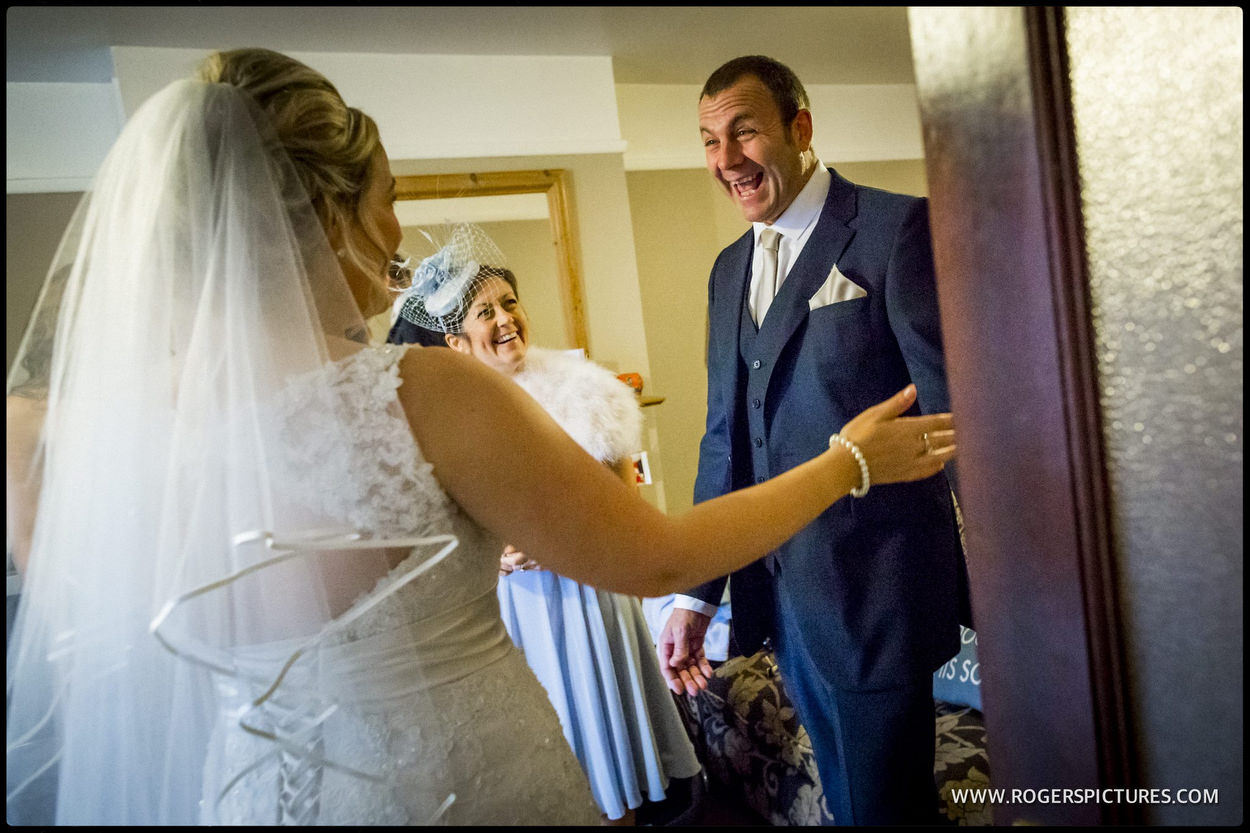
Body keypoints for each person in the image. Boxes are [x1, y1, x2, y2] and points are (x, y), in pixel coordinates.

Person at [4, 48, 956, 826]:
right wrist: (848, 462)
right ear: (328, 213)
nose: (398, 233)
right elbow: (656, 548)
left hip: (258, 798)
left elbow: (77, 603)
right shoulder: (421, 388)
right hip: (460, 784)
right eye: (385, 196)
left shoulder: (128, 437)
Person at [657, 55, 971, 826]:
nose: (725, 160)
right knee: (857, 796)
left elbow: (956, 418)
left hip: (880, 597)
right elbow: (723, 438)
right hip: (785, 601)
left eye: (744, 131)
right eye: (707, 140)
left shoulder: (897, 230)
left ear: (799, 128)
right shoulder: (728, 271)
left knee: (878, 808)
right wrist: (700, 591)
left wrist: (1016, 597)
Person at [387, 236, 703, 825]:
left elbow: (622, 502)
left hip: (584, 599)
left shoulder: (583, 389)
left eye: (510, 303)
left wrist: (557, 538)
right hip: (505, 612)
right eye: (486, 313)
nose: (506, 319)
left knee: (605, 764)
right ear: (455, 340)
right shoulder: (445, 411)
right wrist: (496, 552)